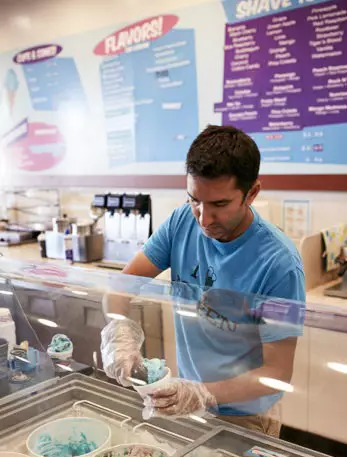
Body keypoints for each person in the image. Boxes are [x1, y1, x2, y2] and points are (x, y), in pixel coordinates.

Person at [101, 125, 306, 436]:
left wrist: (203, 393)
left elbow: (276, 372)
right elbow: (121, 287)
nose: (204, 218)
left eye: (220, 205)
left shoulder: (279, 264)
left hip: (246, 415)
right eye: (194, 199)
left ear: (252, 193)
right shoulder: (181, 222)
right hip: (186, 400)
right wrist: (120, 335)